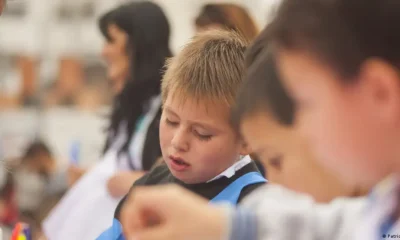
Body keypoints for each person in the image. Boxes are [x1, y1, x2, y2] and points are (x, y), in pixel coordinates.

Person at [120, 0, 400, 239]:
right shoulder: (382, 208)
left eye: (305, 102)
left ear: (379, 95)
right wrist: (225, 227)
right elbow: (330, 226)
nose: (300, 126)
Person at [97, 29, 267, 240]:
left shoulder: (256, 210)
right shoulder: (148, 185)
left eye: (201, 133)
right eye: (171, 121)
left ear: (246, 139)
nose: (178, 142)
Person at [43, 2, 172, 239]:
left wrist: (138, 181)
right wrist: (91, 175)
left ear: (139, 45)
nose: (103, 51)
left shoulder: (169, 108)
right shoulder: (132, 107)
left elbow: (178, 173)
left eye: (111, 41)